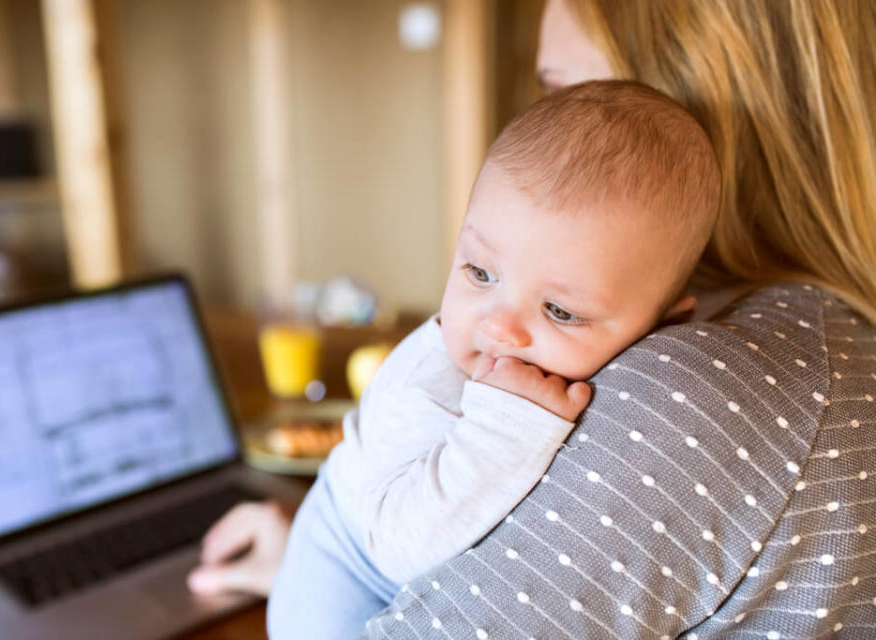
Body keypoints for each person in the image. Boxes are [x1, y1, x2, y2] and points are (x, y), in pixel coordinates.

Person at [188, 0, 876, 637]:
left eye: (564, 94)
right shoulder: (820, 335)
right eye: (480, 273)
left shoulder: (694, 395)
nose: (504, 327)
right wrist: (329, 548)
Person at [266, 79, 720, 640]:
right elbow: (403, 551)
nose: (500, 326)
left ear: (667, 326)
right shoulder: (430, 383)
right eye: (480, 274)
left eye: (559, 310)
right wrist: (506, 429)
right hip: (345, 565)